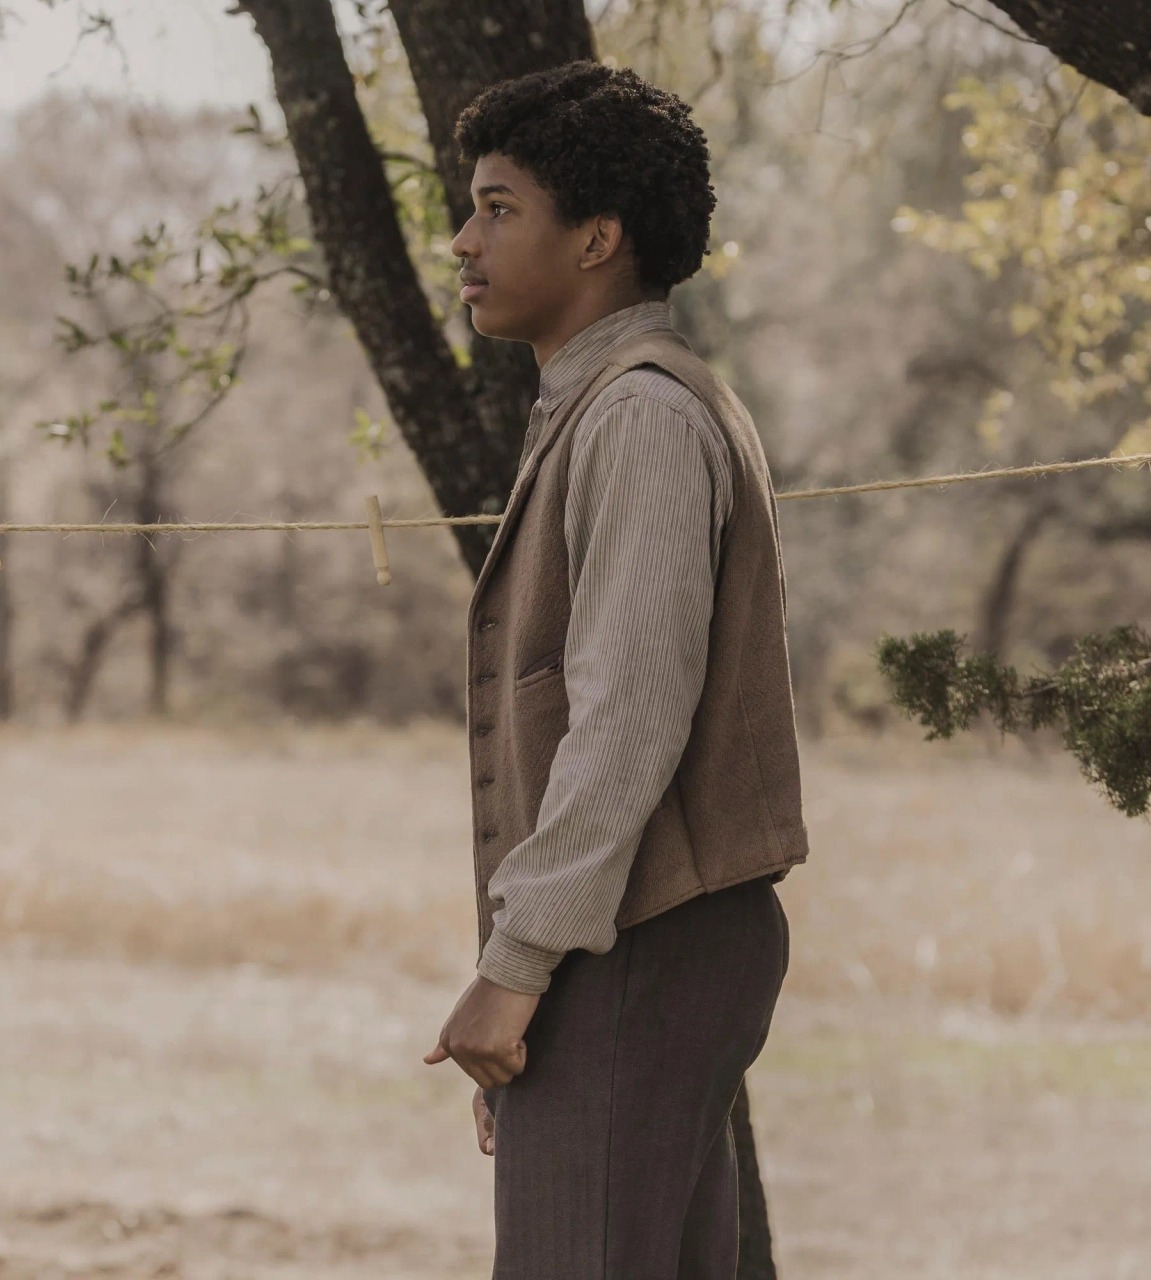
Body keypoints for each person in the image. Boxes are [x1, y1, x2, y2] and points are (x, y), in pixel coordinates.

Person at [421, 63, 806, 1278]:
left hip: (634, 943)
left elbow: (627, 719)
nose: (461, 241)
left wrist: (514, 967)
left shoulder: (638, 418)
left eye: (497, 207)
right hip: (636, 943)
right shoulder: (608, 405)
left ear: (597, 237)